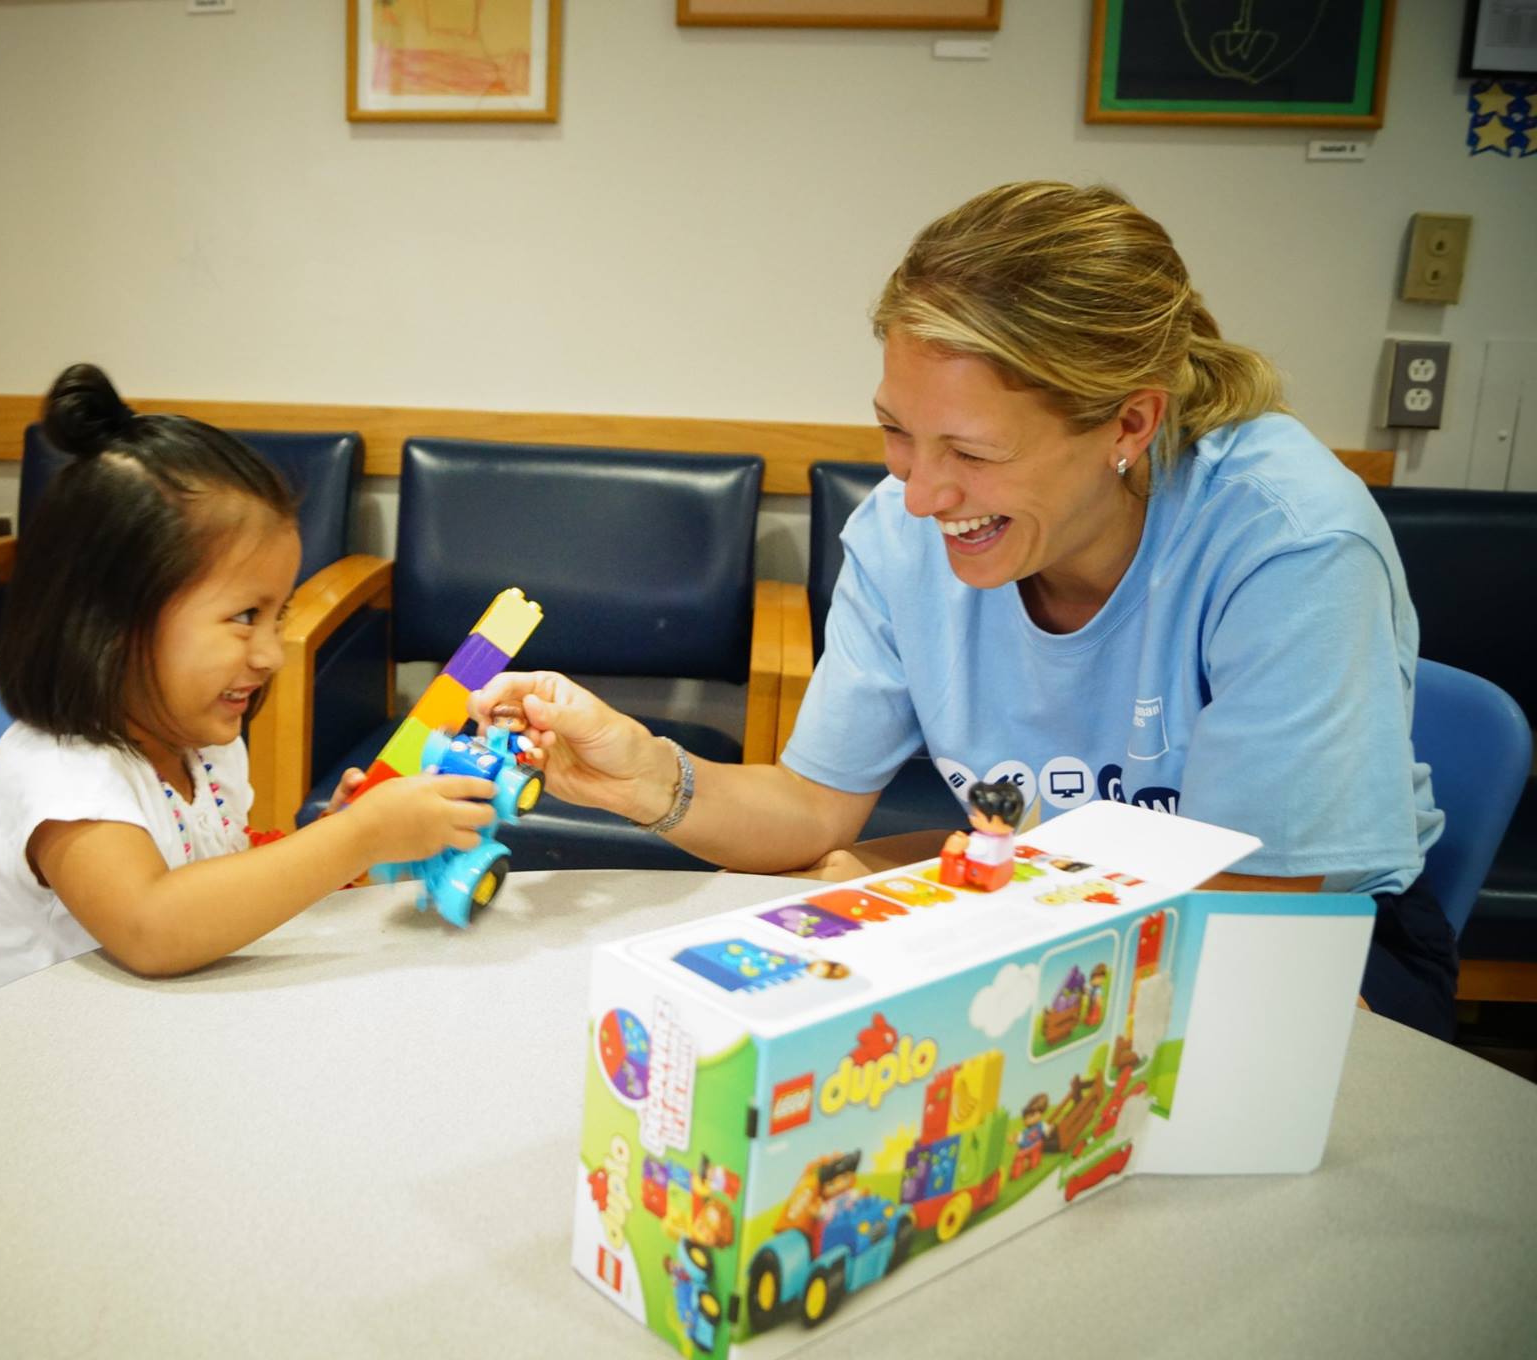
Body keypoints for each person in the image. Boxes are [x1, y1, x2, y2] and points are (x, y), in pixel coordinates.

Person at [472, 181, 1456, 1039]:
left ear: (1128, 420)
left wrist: (927, 888)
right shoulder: (903, 539)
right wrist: (650, 777)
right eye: (896, 432)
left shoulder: (1286, 543)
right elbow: (814, 805)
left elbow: (1261, 908)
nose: (921, 493)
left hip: (1306, 945)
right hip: (1039, 908)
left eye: (973, 453)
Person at [0, 363, 497, 1012]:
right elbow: (154, 926)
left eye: (277, 616)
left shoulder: (198, 742)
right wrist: (358, 837)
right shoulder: (64, 775)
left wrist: (328, 841)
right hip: (31, 1078)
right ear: (114, 622)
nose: (269, 654)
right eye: (243, 617)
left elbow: (210, 873)